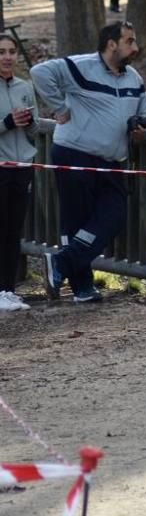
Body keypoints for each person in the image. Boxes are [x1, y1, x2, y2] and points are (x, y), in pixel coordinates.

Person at [30, 21, 146, 303]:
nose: (135, 47)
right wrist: (60, 108)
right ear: (112, 44)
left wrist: (143, 129)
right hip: (74, 154)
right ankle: (82, 288)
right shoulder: (81, 66)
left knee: (114, 216)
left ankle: (59, 264)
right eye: (129, 41)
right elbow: (40, 73)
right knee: (76, 221)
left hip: (112, 162)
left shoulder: (133, 78)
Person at [0, 34, 38, 312]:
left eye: (12, 51)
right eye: (1, 52)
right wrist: (7, 122)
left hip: (22, 167)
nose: (7, 57)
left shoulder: (25, 87)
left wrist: (31, 122)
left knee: (14, 231)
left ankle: (8, 291)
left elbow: (35, 132)